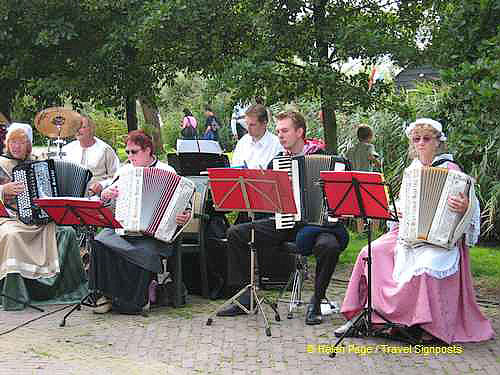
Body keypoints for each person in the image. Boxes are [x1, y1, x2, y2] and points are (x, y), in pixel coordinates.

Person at [334, 118, 495, 343]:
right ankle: (368, 316)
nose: (421, 143)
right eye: (416, 139)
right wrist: (398, 211)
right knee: (370, 251)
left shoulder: (452, 170)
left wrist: (465, 207)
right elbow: (403, 203)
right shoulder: (413, 169)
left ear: (438, 142)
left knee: (427, 265)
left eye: (426, 139)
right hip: (408, 233)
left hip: (440, 239)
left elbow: (472, 209)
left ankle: (427, 325)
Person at [217, 111, 349, 325]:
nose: (280, 135)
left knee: (329, 246)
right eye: (278, 131)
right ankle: (245, 297)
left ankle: (316, 301)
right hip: (286, 222)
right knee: (236, 233)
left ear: (300, 132)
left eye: (285, 131)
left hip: (318, 226)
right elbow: (272, 204)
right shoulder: (278, 162)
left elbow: (342, 199)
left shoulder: (327, 159)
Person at [90, 130, 192, 314]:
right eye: (127, 152)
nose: (129, 157)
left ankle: (136, 299)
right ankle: (105, 294)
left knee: (143, 250)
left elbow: (185, 204)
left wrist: (184, 215)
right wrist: (105, 195)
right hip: (124, 229)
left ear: (148, 150)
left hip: (155, 234)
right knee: (99, 241)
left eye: (134, 152)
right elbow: (107, 202)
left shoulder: (167, 171)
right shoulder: (125, 172)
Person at [0, 123, 86, 310]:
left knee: (68, 232)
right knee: (11, 236)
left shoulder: (39, 161)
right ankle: (15, 296)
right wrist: (2, 190)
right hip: (10, 218)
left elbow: (49, 191)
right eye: (12, 142)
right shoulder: (1, 164)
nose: (16, 146)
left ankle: (68, 289)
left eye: (21, 142)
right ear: (7, 144)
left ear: (28, 145)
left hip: (38, 220)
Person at [62, 115, 120, 196]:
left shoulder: (105, 149)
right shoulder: (66, 150)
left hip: (97, 199)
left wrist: (102, 184)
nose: (78, 130)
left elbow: (116, 177)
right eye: (76, 127)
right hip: (69, 197)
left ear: (91, 129)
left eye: (82, 127)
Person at [345, 124, 381, 232]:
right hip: (366, 180)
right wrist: (377, 163)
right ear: (370, 136)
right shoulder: (369, 146)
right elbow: (371, 156)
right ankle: (374, 231)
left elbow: (347, 163)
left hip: (354, 181)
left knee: (359, 207)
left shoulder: (351, 150)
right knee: (376, 206)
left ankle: (360, 231)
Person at [230, 104, 283, 169]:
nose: (248, 128)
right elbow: (234, 168)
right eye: (247, 124)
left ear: (264, 123)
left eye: (252, 125)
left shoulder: (277, 144)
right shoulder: (242, 142)